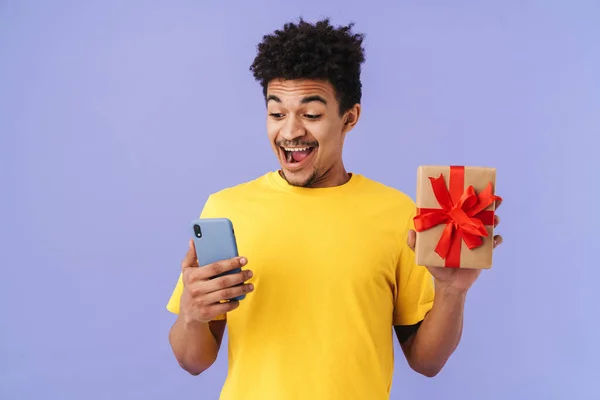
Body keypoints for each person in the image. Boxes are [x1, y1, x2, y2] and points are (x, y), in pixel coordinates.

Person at [166, 18, 503, 400]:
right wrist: (192, 313)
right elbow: (193, 361)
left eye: (310, 115)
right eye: (277, 114)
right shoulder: (226, 208)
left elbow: (427, 362)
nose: (290, 131)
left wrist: (451, 291)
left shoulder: (397, 213)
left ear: (349, 118)